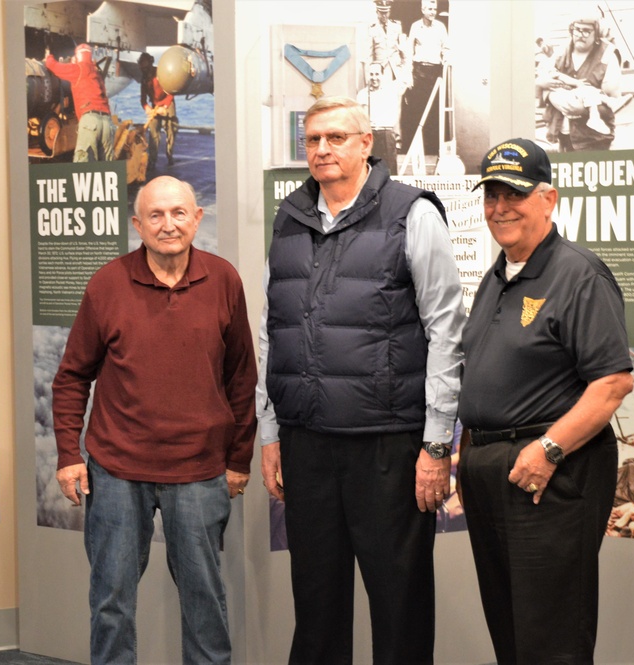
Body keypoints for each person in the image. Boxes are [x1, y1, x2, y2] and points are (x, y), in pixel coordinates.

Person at [258, 96, 464, 664]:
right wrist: (270, 430)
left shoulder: (412, 213)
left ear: (366, 143)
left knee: (399, 609)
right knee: (317, 608)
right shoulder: (290, 217)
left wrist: (437, 443)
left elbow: (447, 331)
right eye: (312, 140)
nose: (322, 149)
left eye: (336, 138)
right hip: (308, 443)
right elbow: (272, 326)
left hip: (389, 445)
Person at [52, 176, 256, 665]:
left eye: (179, 213)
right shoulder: (106, 284)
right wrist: (67, 456)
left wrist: (239, 460)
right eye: (156, 216)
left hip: (201, 471)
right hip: (118, 471)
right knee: (111, 604)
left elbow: (242, 377)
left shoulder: (224, 279)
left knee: (206, 604)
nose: (169, 225)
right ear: (137, 224)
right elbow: (72, 377)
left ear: (197, 217)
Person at [459, 138, 634, 664]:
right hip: (492, 475)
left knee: (551, 641)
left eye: (513, 194)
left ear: (548, 198)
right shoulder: (498, 276)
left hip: (547, 478)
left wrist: (548, 450)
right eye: (490, 195)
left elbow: (613, 383)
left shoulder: (579, 274)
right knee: (511, 637)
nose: (499, 208)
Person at [537, 12, 624, 152]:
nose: (580, 35)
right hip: (560, 135)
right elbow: (541, 81)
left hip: (593, 140)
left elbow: (613, 103)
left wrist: (582, 110)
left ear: (597, 33)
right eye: (577, 29)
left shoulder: (608, 56)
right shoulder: (561, 51)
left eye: (586, 31)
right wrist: (546, 89)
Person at [44, 43, 115, 162]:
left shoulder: (79, 69)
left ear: (78, 56)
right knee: (106, 168)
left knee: (83, 165)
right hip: (107, 122)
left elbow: (54, 66)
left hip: (90, 122)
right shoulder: (97, 74)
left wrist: (48, 56)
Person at [402, 0, 448, 157]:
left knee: (434, 111)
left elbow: (446, 48)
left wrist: (446, 60)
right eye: (429, 9)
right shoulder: (415, 26)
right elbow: (408, 52)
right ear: (422, 9)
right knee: (417, 110)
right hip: (419, 71)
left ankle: (433, 148)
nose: (433, 12)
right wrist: (409, 75)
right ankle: (415, 149)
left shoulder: (440, 27)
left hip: (435, 73)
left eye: (434, 9)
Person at [358, 61, 407, 175]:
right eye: (371, 74)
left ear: (382, 75)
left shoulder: (391, 90)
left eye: (377, 74)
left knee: (389, 170)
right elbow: (362, 118)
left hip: (386, 134)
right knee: (369, 171)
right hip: (370, 135)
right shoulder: (363, 94)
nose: (374, 78)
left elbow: (405, 78)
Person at [139, 52, 178, 173]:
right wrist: (146, 107)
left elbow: (171, 91)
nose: (145, 69)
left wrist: (165, 107)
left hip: (167, 102)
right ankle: (152, 161)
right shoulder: (144, 79)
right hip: (155, 105)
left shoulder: (161, 74)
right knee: (153, 132)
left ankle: (169, 154)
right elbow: (143, 98)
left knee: (171, 129)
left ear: (150, 63)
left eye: (146, 66)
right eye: (142, 67)